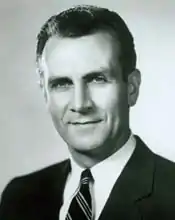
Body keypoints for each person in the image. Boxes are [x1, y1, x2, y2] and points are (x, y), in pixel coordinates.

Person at [0, 5, 175, 220]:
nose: (80, 104)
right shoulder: (19, 197)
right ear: (45, 94)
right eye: (62, 84)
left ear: (132, 87)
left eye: (97, 79)